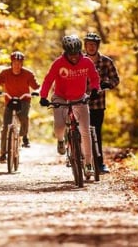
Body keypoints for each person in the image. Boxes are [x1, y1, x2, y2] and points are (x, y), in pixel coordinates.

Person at [39, 35, 100, 174]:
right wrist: (43, 96)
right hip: (61, 98)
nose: (73, 57)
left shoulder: (86, 62)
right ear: (65, 51)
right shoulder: (58, 63)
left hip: (80, 98)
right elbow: (48, 80)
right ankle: (61, 140)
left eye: (76, 53)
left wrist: (95, 89)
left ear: (80, 50)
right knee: (59, 125)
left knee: (85, 131)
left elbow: (94, 77)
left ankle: (88, 164)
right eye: (70, 54)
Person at [0, 51, 40, 163]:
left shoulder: (28, 74)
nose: (17, 65)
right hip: (10, 100)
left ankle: (24, 136)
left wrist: (36, 92)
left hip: (24, 100)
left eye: (19, 63)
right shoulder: (5, 73)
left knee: (24, 116)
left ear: (22, 64)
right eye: (15, 63)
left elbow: (37, 87)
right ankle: (3, 154)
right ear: (11, 63)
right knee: (5, 128)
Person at [84, 32, 120, 174]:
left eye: (93, 45)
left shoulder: (106, 61)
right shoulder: (79, 60)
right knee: (81, 132)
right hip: (80, 101)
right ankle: (80, 158)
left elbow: (115, 79)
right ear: (85, 46)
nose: (91, 47)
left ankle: (99, 164)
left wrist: (107, 85)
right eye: (88, 45)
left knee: (96, 133)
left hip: (98, 103)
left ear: (97, 46)